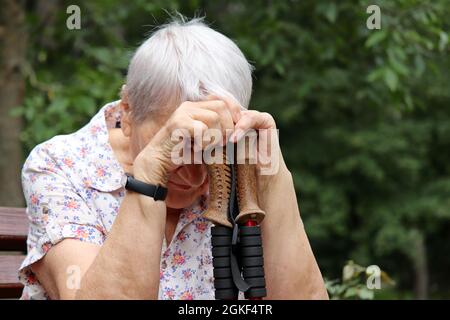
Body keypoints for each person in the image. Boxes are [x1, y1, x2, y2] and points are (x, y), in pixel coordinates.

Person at [19, 17, 328, 300]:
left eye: (208, 148)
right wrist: (151, 174)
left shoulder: (240, 164)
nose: (195, 177)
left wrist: (272, 177)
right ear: (127, 113)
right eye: (181, 143)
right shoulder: (61, 166)